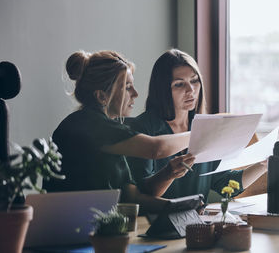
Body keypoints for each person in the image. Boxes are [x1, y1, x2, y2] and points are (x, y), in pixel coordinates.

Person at [44, 50, 195, 212]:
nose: (135, 94)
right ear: (102, 96)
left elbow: (132, 197)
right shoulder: (85, 125)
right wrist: (198, 134)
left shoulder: (113, 132)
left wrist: (181, 206)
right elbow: (156, 149)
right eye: (127, 87)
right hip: (70, 228)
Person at [127, 49, 267, 201]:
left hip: (197, 223)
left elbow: (224, 183)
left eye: (194, 81)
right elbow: (143, 194)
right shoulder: (142, 129)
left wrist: (263, 165)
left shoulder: (205, 127)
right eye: (179, 84)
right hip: (153, 221)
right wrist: (168, 174)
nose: (191, 90)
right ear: (162, 89)